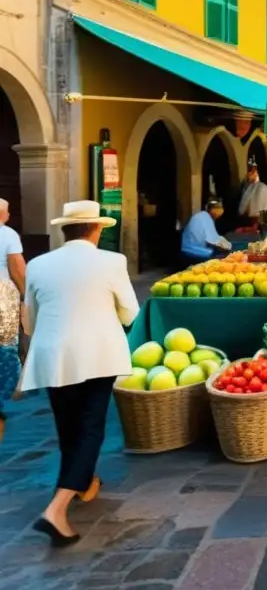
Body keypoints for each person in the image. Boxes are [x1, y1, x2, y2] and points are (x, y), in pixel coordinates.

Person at [21, 201, 140, 546]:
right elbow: (130, 311)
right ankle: (56, 509)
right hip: (96, 353)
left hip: (52, 353)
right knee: (90, 428)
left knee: (68, 425)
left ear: (65, 230)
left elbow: (31, 315)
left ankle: (83, 483)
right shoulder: (111, 261)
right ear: (97, 229)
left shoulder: (38, 264)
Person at [0, 199, 26, 438]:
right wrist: (26, 292)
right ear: (4, 215)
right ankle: (8, 390)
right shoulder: (7, 233)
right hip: (2, 292)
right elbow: (16, 267)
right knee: (6, 342)